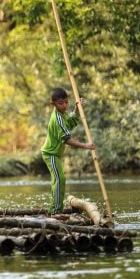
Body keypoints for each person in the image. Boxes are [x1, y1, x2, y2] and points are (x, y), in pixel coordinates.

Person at [41, 87, 95, 215]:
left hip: (56, 154)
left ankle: (54, 210)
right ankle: (55, 211)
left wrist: (77, 109)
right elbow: (67, 140)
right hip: (51, 154)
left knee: (58, 180)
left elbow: (71, 121)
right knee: (60, 179)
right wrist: (86, 145)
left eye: (66, 102)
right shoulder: (57, 118)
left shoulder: (62, 114)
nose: (65, 106)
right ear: (53, 104)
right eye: (61, 103)